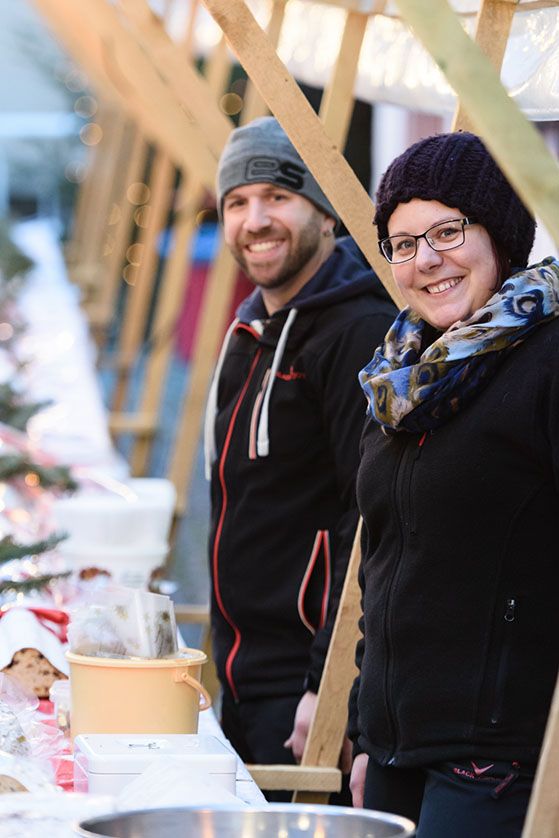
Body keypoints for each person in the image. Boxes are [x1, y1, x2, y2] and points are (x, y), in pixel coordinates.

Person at [348, 130, 559, 836]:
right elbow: (380, 565)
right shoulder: (395, 381)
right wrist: (360, 723)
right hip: (392, 749)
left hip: (498, 760)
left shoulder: (548, 360)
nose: (425, 260)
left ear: (500, 235)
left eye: (446, 231)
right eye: (402, 243)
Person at [204, 116, 397, 780]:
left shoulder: (356, 329)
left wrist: (332, 684)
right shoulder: (254, 327)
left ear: (325, 213)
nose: (255, 219)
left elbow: (369, 519)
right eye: (237, 202)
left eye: (277, 197)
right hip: (245, 672)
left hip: (304, 689)